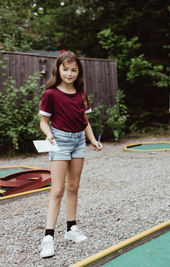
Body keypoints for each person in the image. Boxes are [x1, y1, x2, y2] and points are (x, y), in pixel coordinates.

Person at [38, 51, 103, 258]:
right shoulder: (50, 94)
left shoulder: (81, 94)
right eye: (65, 69)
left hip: (78, 143)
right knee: (57, 190)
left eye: (73, 70)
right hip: (60, 142)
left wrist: (92, 140)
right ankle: (48, 237)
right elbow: (43, 122)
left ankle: (71, 229)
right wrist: (48, 135)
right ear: (58, 69)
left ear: (78, 72)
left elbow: (85, 121)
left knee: (74, 187)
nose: (69, 73)